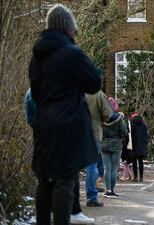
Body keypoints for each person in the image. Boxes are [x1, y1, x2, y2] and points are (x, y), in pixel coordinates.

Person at [28, 4, 101, 224]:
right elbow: (94, 82)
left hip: (43, 124)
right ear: (67, 28)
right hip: (68, 125)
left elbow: (36, 92)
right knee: (64, 181)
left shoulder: (37, 57)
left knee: (45, 181)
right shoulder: (71, 53)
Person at [24, 89, 95, 224]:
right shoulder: (64, 88)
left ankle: (54, 212)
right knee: (67, 179)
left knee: (46, 180)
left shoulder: (34, 90)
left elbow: (31, 118)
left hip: (43, 137)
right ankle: (72, 211)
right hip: (63, 135)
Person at [85, 90, 119, 206]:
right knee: (92, 166)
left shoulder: (74, 89)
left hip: (75, 132)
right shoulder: (98, 94)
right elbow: (108, 115)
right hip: (93, 133)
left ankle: (71, 201)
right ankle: (91, 197)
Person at [101, 97, 128, 198]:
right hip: (116, 144)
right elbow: (124, 132)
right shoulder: (118, 118)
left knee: (107, 168)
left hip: (104, 144)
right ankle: (112, 190)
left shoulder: (101, 118)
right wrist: (119, 138)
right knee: (113, 169)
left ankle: (107, 190)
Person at [128, 113, 148, 182]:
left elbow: (129, 135)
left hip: (133, 145)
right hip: (142, 145)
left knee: (134, 162)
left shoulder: (131, 124)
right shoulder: (144, 124)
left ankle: (135, 177)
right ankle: (141, 177)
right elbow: (146, 135)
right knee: (141, 161)